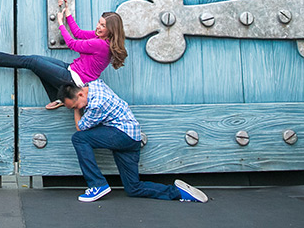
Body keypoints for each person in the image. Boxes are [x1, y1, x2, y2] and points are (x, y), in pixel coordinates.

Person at [59, 80, 208, 204]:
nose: (79, 108)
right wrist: (66, 102)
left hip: (121, 134)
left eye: (76, 105)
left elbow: (81, 127)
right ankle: (179, 193)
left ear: (80, 94)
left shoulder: (97, 104)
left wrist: (75, 111)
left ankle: (97, 185)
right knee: (133, 188)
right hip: (131, 138)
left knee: (78, 138)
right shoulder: (94, 84)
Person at [0, 0, 127, 109]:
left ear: (111, 30)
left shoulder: (99, 44)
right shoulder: (101, 38)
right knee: (37, 64)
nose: (98, 27)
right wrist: (68, 14)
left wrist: (60, 24)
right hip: (72, 70)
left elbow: (72, 44)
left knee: (31, 62)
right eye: (99, 22)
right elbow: (78, 33)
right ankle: (60, 98)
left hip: (74, 80)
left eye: (103, 25)